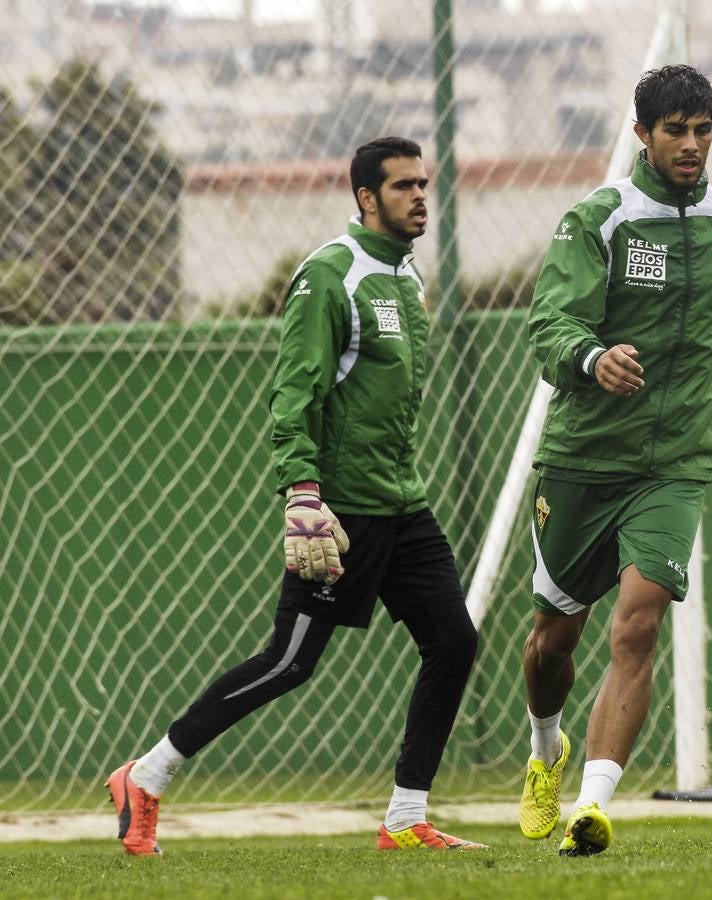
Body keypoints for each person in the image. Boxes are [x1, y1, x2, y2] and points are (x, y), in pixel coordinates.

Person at [107, 136, 485, 855]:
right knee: (290, 662)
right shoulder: (330, 276)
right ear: (366, 198)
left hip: (402, 503)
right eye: (403, 186)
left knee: (454, 641)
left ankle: (405, 817)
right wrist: (303, 493)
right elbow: (295, 392)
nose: (419, 197)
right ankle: (146, 775)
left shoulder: (406, 282)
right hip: (340, 512)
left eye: (423, 184)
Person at [517, 66, 712, 857]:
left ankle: (591, 807)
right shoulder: (601, 218)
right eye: (675, 132)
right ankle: (544, 750)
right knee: (553, 641)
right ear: (643, 135)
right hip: (585, 457)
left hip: (675, 464)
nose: (690, 146)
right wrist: (592, 359)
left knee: (639, 624)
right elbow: (551, 322)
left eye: (703, 132)